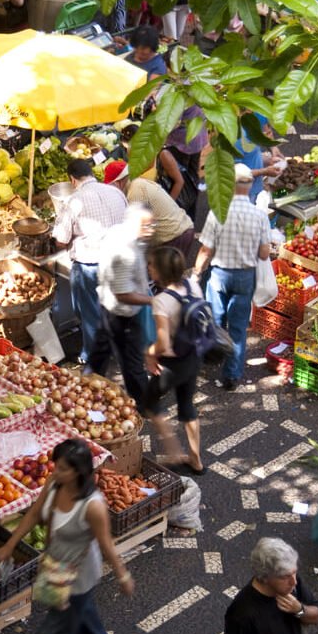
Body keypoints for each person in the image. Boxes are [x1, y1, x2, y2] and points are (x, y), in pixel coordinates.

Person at [0, 439, 134, 634]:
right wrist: (10, 544)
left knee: (55, 632)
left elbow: (106, 543)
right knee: (78, 613)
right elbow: (35, 514)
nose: (55, 471)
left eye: (62, 468)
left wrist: (123, 575)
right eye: (56, 466)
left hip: (78, 575)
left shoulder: (92, 506)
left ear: (79, 472)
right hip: (55, 563)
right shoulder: (54, 483)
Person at [194, 163, 270, 390]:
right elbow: (264, 253)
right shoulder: (259, 216)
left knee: (215, 321)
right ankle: (232, 375)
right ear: (249, 185)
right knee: (238, 327)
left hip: (219, 275)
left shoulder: (217, 213)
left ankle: (211, 359)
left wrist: (196, 274)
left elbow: (206, 249)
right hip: (246, 276)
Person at [52, 157, 128, 364]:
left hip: (90, 264)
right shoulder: (116, 192)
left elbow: (60, 240)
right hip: (118, 260)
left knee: (89, 311)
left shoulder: (74, 200)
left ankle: (93, 357)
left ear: (73, 180)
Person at [144, 245, 204, 475]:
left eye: (151, 265)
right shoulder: (192, 285)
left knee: (150, 402)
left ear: (159, 271)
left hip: (173, 364)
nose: (148, 268)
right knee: (187, 405)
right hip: (194, 355)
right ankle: (196, 459)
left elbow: (163, 343)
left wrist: (149, 353)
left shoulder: (161, 301)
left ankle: (174, 452)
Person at [88, 205, 154, 412]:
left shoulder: (119, 232)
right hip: (121, 313)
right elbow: (123, 294)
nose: (151, 229)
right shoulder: (126, 252)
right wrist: (153, 301)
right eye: (147, 225)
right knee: (132, 362)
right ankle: (145, 405)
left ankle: (87, 386)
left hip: (109, 306)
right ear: (134, 223)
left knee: (100, 351)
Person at [104, 159, 195, 258]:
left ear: (118, 183)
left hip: (174, 235)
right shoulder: (138, 183)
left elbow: (136, 230)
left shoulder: (135, 190)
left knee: (163, 272)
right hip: (180, 230)